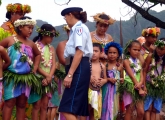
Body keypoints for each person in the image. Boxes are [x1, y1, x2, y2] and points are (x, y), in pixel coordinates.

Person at [0, 16, 41, 120]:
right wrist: (5, 62)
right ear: (20, 27)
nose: (31, 30)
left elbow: (38, 55)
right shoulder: (10, 39)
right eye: (29, 27)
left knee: (22, 104)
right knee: (9, 102)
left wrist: (35, 67)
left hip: (26, 78)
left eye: (32, 28)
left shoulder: (31, 43)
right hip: (11, 77)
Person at [58, 7, 93, 120]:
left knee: (66, 107)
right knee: (75, 108)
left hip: (78, 66)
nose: (66, 20)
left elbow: (79, 52)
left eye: (65, 17)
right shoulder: (75, 29)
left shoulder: (79, 28)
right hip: (76, 66)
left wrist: (70, 74)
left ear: (70, 15)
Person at [28, 24, 59, 120]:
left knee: (45, 105)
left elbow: (53, 64)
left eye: (54, 36)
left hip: (49, 79)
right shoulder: (35, 46)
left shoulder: (51, 48)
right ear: (44, 34)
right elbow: (35, 65)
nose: (52, 38)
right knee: (37, 104)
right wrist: (47, 76)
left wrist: (50, 76)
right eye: (51, 35)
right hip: (38, 78)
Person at [118, 40, 146, 120]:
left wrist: (141, 83)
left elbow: (141, 73)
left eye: (138, 50)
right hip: (130, 85)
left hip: (138, 85)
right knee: (129, 110)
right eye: (134, 49)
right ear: (129, 50)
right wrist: (139, 88)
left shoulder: (139, 61)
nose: (137, 52)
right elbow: (132, 75)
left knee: (141, 112)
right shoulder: (126, 61)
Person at [143, 38, 165, 120]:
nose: (159, 50)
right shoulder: (150, 56)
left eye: (162, 49)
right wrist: (144, 85)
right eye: (158, 48)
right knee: (148, 107)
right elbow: (144, 71)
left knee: (155, 109)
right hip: (149, 84)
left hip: (160, 86)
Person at [101, 42, 124, 120]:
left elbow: (122, 79)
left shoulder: (120, 66)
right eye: (110, 52)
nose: (112, 54)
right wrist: (108, 79)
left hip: (115, 90)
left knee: (114, 107)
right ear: (106, 53)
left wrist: (120, 80)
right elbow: (102, 77)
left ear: (118, 54)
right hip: (105, 88)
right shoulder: (104, 65)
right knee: (104, 105)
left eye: (114, 53)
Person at [88, 43, 107, 120]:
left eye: (96, 51)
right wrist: (88, 77)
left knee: (93, 111)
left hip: (97, 91)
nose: (94, 53)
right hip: (87, 90)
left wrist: (103, 81)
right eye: (92, 51)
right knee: (86, 110)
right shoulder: (86, 64)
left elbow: (105, 78)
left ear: (101, 53)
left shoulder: (102, 66)